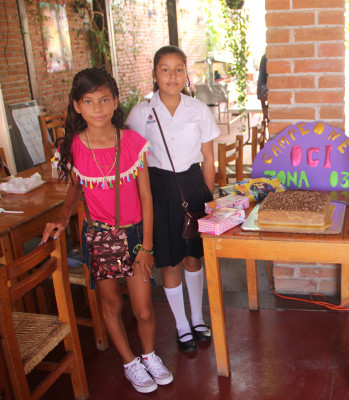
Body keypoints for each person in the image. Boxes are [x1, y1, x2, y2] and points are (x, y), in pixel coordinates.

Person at [42, 68, 173, 393]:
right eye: (88, 101)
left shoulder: (131, 142)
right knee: (112, 304)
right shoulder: (72, 146)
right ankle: (130, 363)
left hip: (135, 237)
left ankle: (149, 354)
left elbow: (146, 197)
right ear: (77, 106)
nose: (97, 108)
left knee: (143, 309)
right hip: (99, 236)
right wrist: (62, 216)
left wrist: (146, 246)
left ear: (115, 102)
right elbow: (75, 187)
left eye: (104, 99)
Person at [126, 46, 219, 353]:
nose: (172, 76)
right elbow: (133, 162)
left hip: (194, 188)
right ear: (154, 75)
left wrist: (208, 199)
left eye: (179, 69)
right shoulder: (141, 113)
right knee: (170, 260)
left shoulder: (198, 109)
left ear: (186, 74)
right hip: (160, 190)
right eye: (165, 69)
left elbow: (208, 158)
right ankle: (181, 324)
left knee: (194, 255)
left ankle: (197, 317)